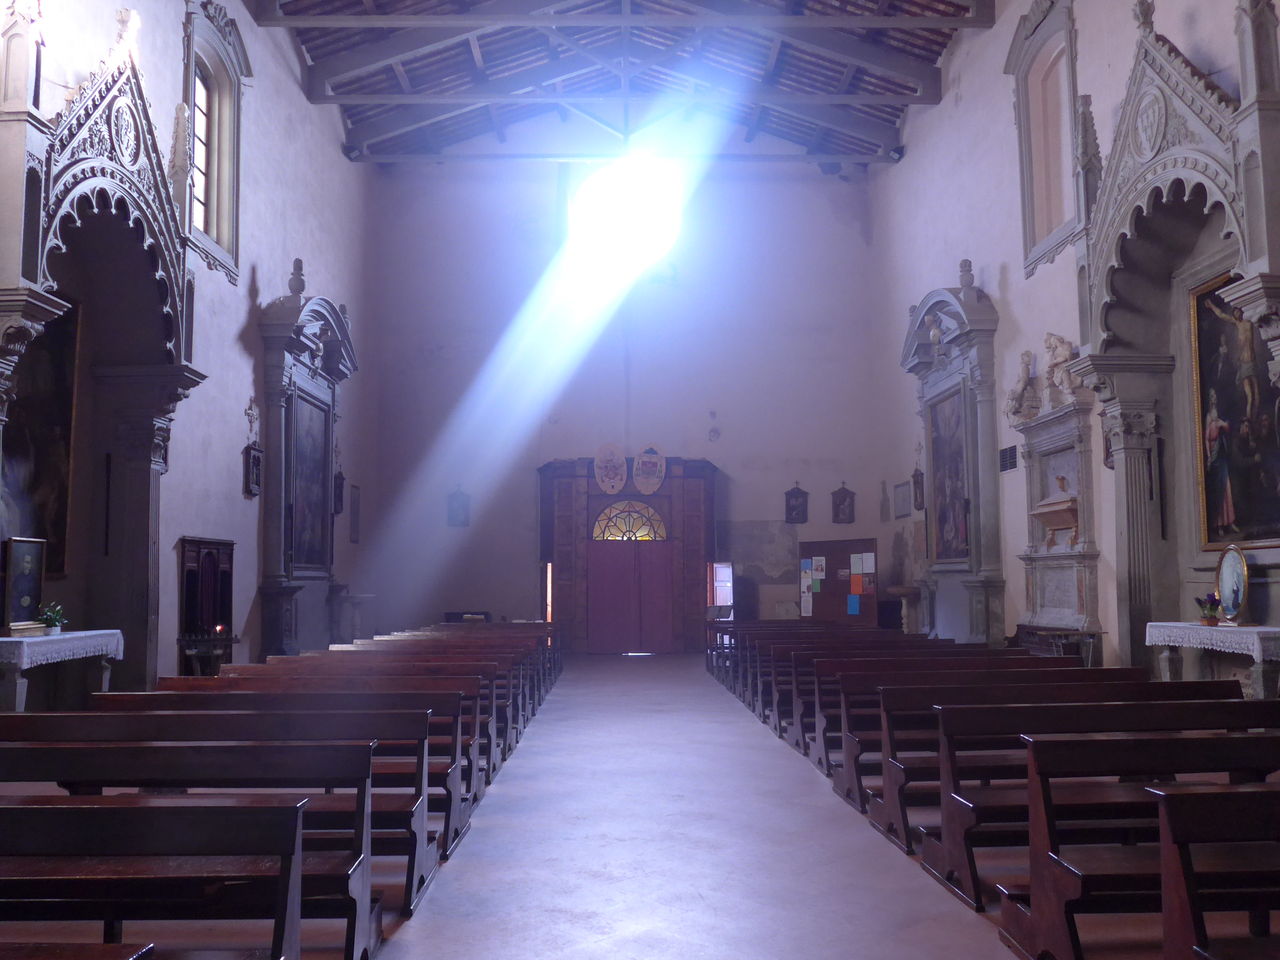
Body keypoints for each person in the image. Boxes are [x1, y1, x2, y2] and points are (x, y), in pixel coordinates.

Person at [1204, 388, 1238, 537]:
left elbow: (1228, 428)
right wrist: (1209, 457)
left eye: (1215, 396)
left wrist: (1223, 424)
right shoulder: (1208, 416)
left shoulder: (1220, 413)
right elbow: (1206, 439)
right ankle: (1218, 524)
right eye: (1211, 396)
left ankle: (1230, 521)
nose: (1214, 398)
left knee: (1226, 488)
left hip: (1222, 453)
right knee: (1218, 490)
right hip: (1214, 454)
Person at [8, 549, 39, 624]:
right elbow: (12, 596)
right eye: (25, 562)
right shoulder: (17, 579)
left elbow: (38, 597)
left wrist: (30, 601)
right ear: (22, 563)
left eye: (28, 562)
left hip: (31, 613)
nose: (26, 565)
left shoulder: (35, 579)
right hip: (19, 613)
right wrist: (20, 601)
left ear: (31, 565)